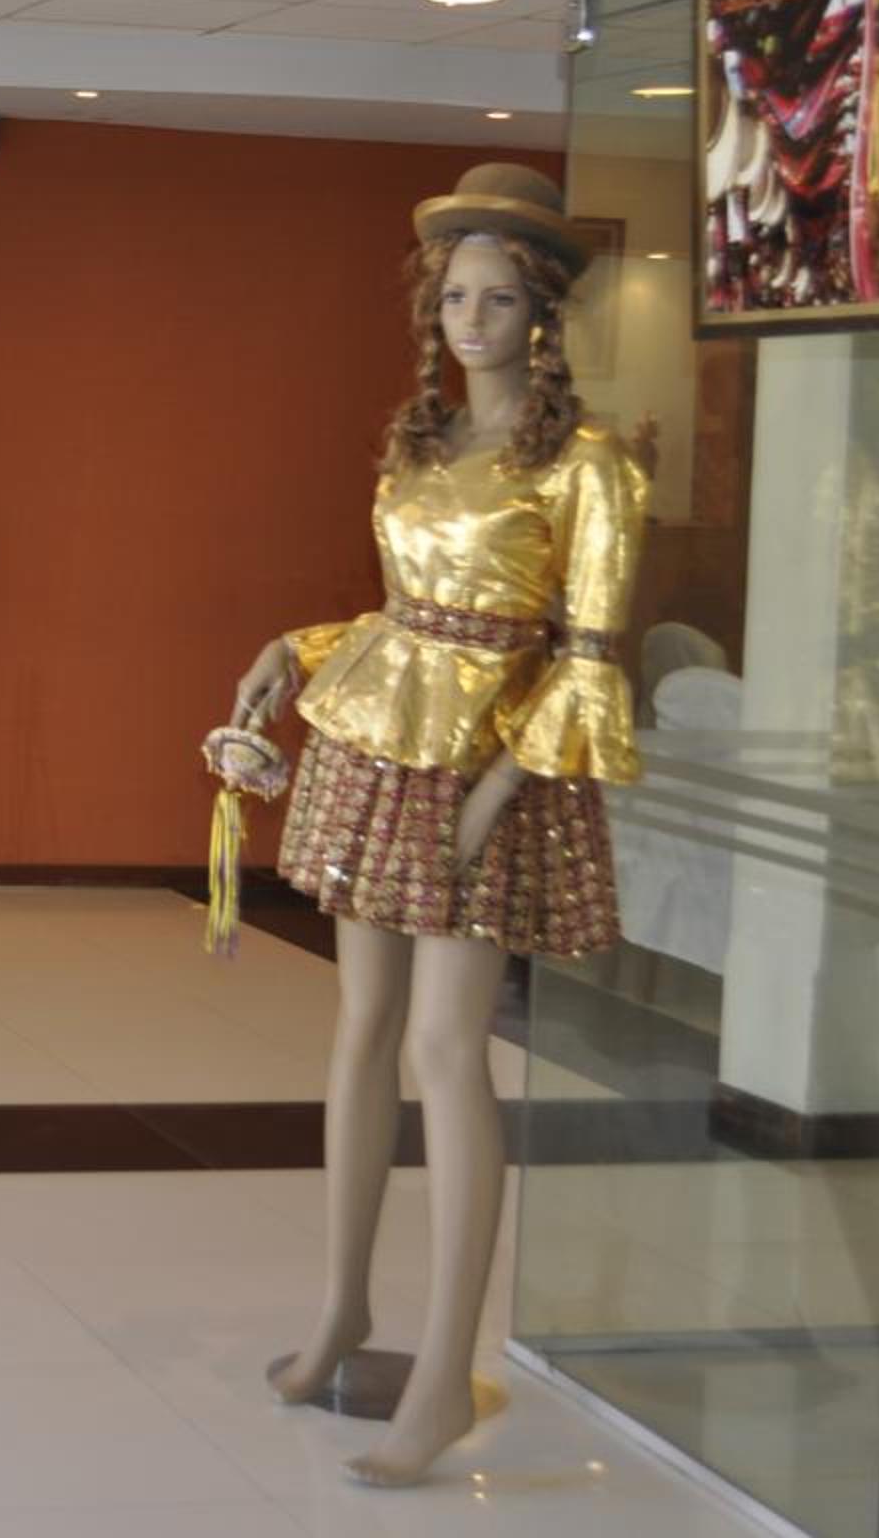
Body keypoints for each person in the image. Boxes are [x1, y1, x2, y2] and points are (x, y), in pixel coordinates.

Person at [227, 161, 645, 1488]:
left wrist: (494, 796)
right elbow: (409, 616)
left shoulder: (589, 466)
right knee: (360, 1029)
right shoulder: (423, 442)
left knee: (447, 1048)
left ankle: (450, 1367)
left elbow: (588, 661)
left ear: (544, 313)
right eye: (456, 296)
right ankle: (344, 1310)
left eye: (499, 298)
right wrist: (300, 648)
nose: (471, 320)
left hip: (490, 771)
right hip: (382, 744)